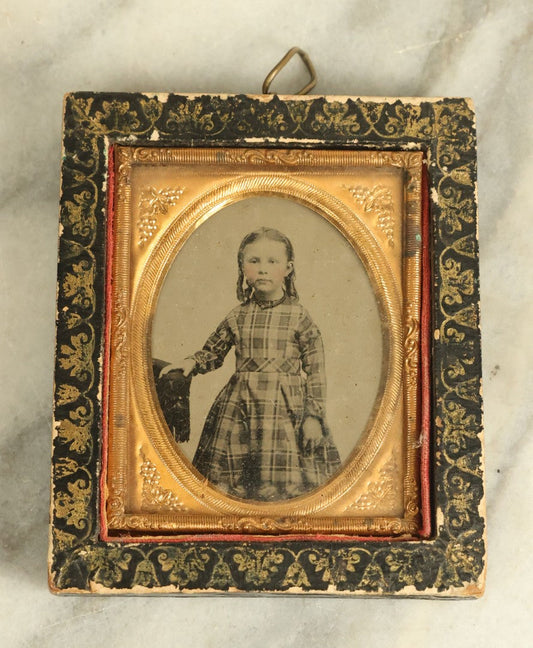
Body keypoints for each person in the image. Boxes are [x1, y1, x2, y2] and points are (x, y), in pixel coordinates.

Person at [162, 227, 341, 500]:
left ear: (288, 268)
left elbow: (316, 369)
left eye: (272, 261)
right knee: (230, 485)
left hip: (285, 413)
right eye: (254, 261)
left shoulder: (299, 316)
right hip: (240, 408)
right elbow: (213, 352)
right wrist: (191, 362)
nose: (263, 270)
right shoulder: (238, 315)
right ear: (242, 267)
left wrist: (313, 417)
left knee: (283, 489)